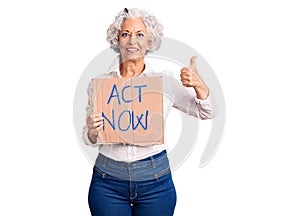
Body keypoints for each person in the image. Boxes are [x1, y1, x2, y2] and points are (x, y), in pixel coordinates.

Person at [82, 8, 214, 216]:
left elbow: (206, 112)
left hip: (155, 181)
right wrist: (91, 130)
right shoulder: (101, 85)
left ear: (149, 41)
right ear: (117, 40)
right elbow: (89, 138)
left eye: (139, 34)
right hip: (108, 181)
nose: (132, 40)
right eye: (125, 34)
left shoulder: (165, 82)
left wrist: (200, 87)